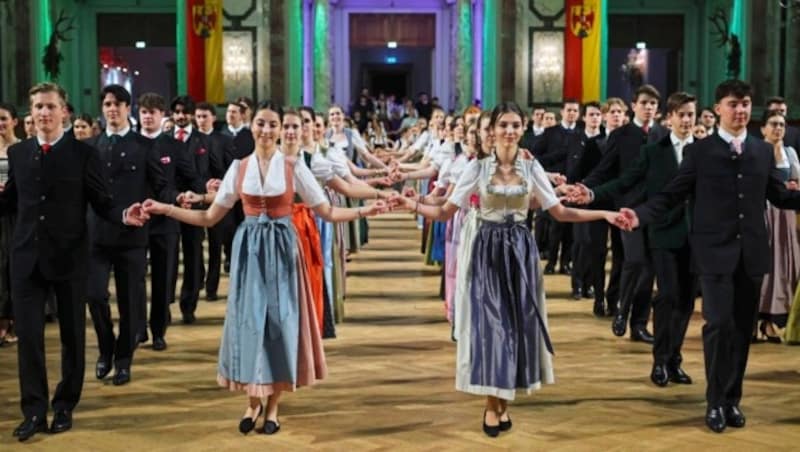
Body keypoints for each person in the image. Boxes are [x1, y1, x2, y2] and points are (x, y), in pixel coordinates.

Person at [142, 101, 387, 435]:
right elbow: (209, 217)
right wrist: (165, 209)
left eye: (274, 124)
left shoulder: (294, 166)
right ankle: (252, 399)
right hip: (249, 252)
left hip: (284, 250)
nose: (268, 130)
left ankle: (272, 406)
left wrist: (364, 212)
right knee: (250, 324)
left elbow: (326, 211)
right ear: (252, 126)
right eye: (262, 123)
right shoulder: (238, 167)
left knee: (279, 324)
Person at [390, 102, 623, 438]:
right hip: (485, 251)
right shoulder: (477, 169)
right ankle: (491, 403)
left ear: (523, 128)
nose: (510, 131)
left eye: (515, 125)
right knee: (492, 328)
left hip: (520, 253)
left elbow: (559, 212)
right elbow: (444, 211)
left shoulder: (532, 168)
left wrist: (605, 215)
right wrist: (410, 204)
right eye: (503, 125)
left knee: (515, 327)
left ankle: (502, 400)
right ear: (493, 131)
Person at [618, 80, 800, 433]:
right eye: (734, 104)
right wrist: (639, 214)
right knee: (718, 326)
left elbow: (780, 196)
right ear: (718, 108)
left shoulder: (762, 151)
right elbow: (671, 195)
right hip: (714, 254)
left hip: (751, 256)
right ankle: (715, 401)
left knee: (742, 331)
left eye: (746, 103)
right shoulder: (699, 152)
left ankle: (733, 399)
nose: (741, 110)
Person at [0, 82, 147, 442]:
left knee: (71, 338)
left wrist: (124, 214)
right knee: (30, 339)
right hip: (26, 260)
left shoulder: (84, 154)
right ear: (30, 115)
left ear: (64, 111)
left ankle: (64, 405)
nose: (44, 113)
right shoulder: (19, 154)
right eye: (37, 107)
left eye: (50, 106)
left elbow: (102, 202)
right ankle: (34, 411)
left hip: (69, 259)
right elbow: (10, 205)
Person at [571, 92, 701, 387]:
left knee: (685, 303)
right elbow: (625, 180)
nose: (686, 120)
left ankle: (674, 359)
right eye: (681, 114)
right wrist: (592, 194)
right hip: (663, 232)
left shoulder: (704, 151)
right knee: (667, 297)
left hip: (697, 237)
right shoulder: (654, 151)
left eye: (690, 114)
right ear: (669, 119)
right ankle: (660, 361)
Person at [85, 84, 170, 386]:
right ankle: (105, 348)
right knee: (94, 295)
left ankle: (123, 360)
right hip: (96, 235)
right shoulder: (90, 147)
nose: (112, 109)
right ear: (103, 108)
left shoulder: (144, 147)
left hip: (132, 238)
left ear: (127, 108)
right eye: (107, 103)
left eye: (118, 104)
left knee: (130, 303)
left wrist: (180, 199)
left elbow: (161, 186)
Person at [756, 109, 800, 343]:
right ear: (763, 128)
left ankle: (773, 320)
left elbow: (796, 179)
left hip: (785, 215)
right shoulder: (757, 151)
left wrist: (794, 187)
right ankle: (758, 320)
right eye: (773, 124)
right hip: (764, 212)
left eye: (782, 124)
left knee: (782, 266)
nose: (778, 128)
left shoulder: (789, 153)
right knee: (764, 265)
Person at [0, 102, 20, 346]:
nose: (0, 124)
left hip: (14, 214)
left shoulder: (21, 149)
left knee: (10, 265)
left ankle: (10, 320)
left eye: (4, 119)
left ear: (14, 121)